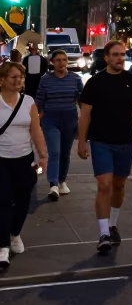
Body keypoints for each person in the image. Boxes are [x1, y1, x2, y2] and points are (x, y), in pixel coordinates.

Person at [77, 39, 132, 255]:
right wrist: (82, 141)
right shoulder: (95, 83)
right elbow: (85, 114)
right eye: (115, 54)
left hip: (125, 142)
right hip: (101, 142)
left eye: (122, 54)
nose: (119, 58)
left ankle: (112, 225)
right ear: (106, 58)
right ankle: (103, 234)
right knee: (104, 185)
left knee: (118, 186)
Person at [0, 60, 48, 270]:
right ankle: (2, 247)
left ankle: (15, 233)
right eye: (13, 76)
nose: (18, 80)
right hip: (1, 160)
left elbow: (35, 131)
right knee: (2, 201)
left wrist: (43, 156)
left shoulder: (28, 102)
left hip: (25, 160)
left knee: (23, 200)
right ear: (2, 80)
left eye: (21, 77)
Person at [36, 49, 84, 198]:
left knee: (65, 153)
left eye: (64, 60)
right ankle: (53, 184)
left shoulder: (75, 79)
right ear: (52, 62)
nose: (61, 63)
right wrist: (38, 118)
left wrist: (83, 122)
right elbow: (39, 101)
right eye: (58, 60)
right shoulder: (46, 80)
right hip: (51, 120)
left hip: (70, 119)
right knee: (55, 151)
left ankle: (62, 180)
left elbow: (82, 100)